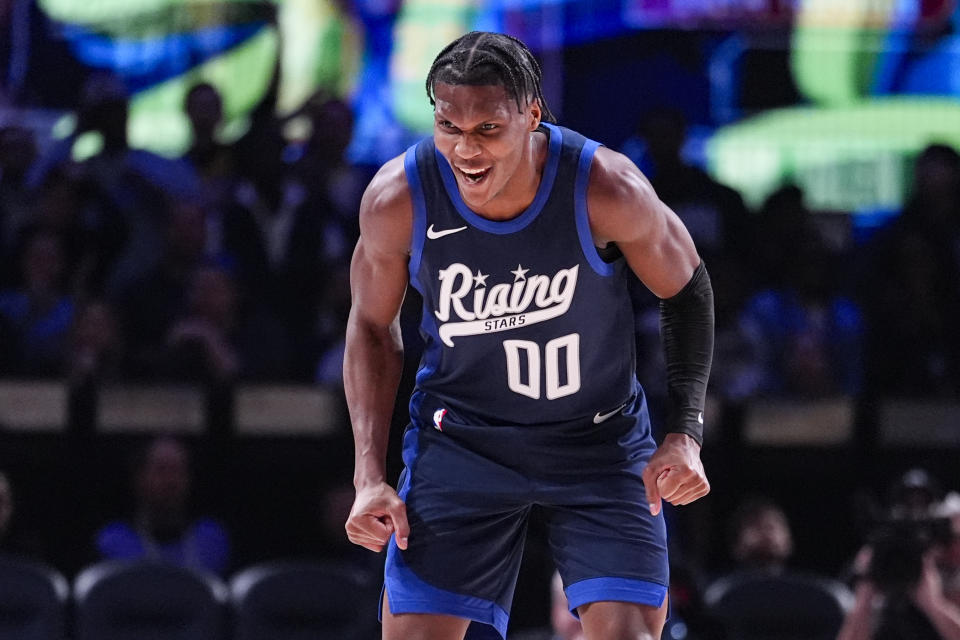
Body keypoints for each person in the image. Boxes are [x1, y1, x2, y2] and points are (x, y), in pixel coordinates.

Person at [343, 31, 713, 640]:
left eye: (487, 129)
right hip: (463, 440)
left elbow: (688, 288)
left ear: (532, 115)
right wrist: (367, 476)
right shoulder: (398, 199)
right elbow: (370, 325)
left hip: (597, 439)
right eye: (448, 127)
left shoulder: (605, 187)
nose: (465, 150)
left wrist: (685, 434)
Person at [94, 436, 231, 576]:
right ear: (139, 478)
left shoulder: (211, 540)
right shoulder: (114, 540)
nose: (171, 481)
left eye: (178, 470)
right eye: (161, 470)